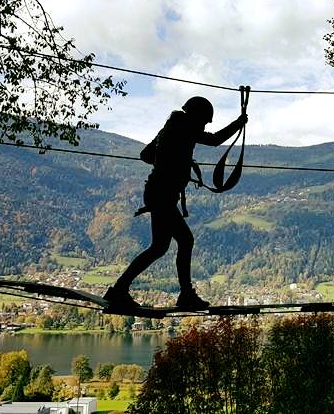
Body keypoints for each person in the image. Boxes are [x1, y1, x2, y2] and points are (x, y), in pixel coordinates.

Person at [105, 96, 247, 310]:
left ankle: (120, 289)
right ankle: (185, 294)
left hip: (157, 193)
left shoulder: (170, 127)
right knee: (184, 240)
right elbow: (215, 140)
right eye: (205, 120)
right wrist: (239, 122)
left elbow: (145, 155)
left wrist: (172, 160)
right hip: (162, 194)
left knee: (159, 247)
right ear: (196, 115)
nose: (205, 125)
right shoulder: (185, 125)